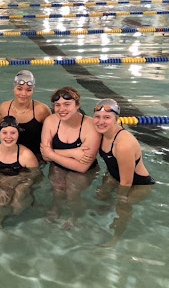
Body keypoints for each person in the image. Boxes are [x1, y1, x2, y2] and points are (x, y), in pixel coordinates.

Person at [93, 99, 154, 246]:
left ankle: (116, 237)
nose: (101, 121)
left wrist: (120, 198)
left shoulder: (122, 145)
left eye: (107, 117)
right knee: (100, 195)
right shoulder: (101, 132)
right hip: (115, 175)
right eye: (97, 117)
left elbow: (126, 182)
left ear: (116, 120)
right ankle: (99, 219)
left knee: (122, 205)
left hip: (139, 184)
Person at [40, 86, 101, 229]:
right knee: (58, 189)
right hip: (58, 165)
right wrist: (74, 152)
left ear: (77, 105)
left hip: (84, 170)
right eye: (57, 105)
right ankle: (56, 208)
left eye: (67, 104)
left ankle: (75, 216)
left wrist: (52, 153)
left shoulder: (91, 126)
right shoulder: (50, 121)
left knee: (72, 192)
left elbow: (83, 166)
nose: (62, 109)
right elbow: (45, 156)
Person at [0, 116, 39, 228]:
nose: (8, 137)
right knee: (1, 203)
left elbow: (35, 174)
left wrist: (20, 187)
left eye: (13, 133)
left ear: (18, 134)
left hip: (20, 179)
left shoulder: (26, 155)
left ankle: (27, 200)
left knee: (16, 206)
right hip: (0, 179)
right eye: (4, 133)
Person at [0, 70, 51, 156]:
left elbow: (53, 133)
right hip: (9, 155)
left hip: (36, 157)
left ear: (33, 90)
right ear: (13, 88)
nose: (23, 94)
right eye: (19, 89)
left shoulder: (42, 110)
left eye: (28, 90)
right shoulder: (5, 108)